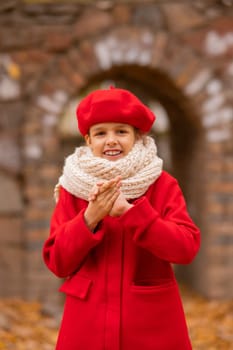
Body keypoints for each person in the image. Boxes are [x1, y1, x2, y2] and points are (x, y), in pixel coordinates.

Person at [43, 87, 200, 350]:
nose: (111, 140)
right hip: (87, 323)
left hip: (150, 324)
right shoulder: (73, 188)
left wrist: (132, 214)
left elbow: (186, 248)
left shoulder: (161, 184)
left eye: (121, 131)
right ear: (88, 139)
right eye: (100, 133)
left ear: (137, 136)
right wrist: (89, 218)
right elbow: (58, 261)